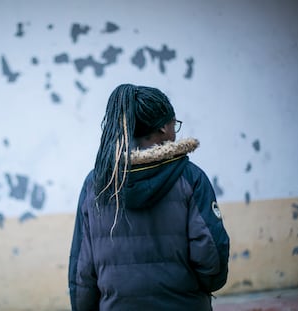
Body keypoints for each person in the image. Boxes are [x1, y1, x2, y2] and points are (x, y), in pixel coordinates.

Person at [68, 84, 230, 311]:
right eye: (175, 124)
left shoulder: (97, 183)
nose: (176, 131)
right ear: (164, 127)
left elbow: (82, 268)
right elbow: (211, 253)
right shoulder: (190, 178)